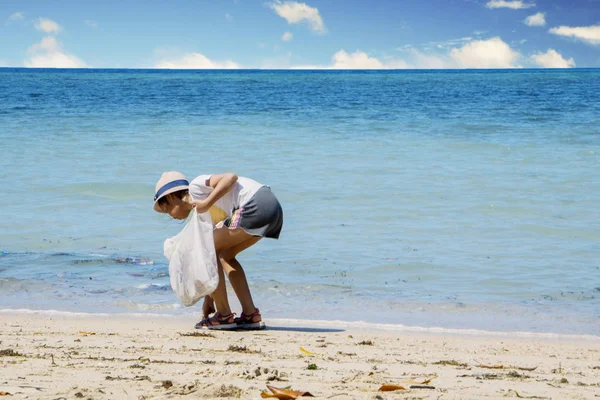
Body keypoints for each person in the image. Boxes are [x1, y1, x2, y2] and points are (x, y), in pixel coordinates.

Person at [153, 171, 283, 330]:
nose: (169, 216)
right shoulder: (206, 214)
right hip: (272, 209)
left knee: (207, 250)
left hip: (255, 204)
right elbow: (213, 261)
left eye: (166, 209)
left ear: (172, 197)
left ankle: (224, 315)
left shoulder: (196, 187)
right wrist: (209, 298)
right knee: (225, 256)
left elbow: (231, 177)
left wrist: (206, 202)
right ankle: (250, 314)